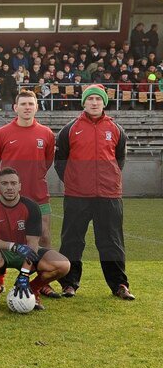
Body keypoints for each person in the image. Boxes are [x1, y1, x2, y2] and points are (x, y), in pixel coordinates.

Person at [54, 84, 133, 300]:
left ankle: (119, 285)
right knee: (72, 240)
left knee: (111, 241)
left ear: (104, 103)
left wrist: (108, 179)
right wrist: (74, 181)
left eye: (98, 99)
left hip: (109, 196)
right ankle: (69, 284)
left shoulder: (116, 129)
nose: (94, 103)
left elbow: (119, 161)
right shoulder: (69, 129)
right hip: (77, 196)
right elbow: (60, 163)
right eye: (90, 99)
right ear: (84, 102)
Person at [0, 89, 59, 297]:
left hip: (37, 194)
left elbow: (47, 163)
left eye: (31, 104)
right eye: (23, 104)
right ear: (15, 107)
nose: (27, 107)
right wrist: (6, 188)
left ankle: (39, 282)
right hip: (7, 198)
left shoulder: (46, 133)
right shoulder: (2, 133)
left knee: (44, 236)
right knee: (3, 237)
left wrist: (33, 179)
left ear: (36, 107)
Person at [0, 168, 70, 311]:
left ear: (20, 186)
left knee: (63, 265)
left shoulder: (31, 206)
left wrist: (24, 275)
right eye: (5, 183)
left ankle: (32, 289)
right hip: (1, 252)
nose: (9, 187)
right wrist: (12, 246)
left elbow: (32, 245)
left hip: (27, 252)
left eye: (13, 183)